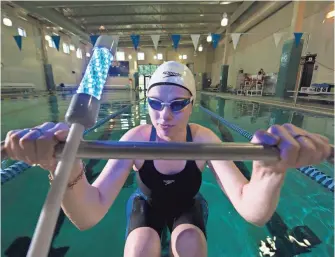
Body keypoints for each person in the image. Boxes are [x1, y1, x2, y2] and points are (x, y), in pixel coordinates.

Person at [3, 61, 331, 257]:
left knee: (190, 245)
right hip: (145, 207)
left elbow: (252, 210)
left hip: (187, 207)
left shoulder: (203, 139)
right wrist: (63, 166)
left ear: (191, 104)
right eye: (155, 103)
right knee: (140, 247)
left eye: (177, 104)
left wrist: (269, 173)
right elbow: (88, 213)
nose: (164, 116)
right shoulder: (134, 140)